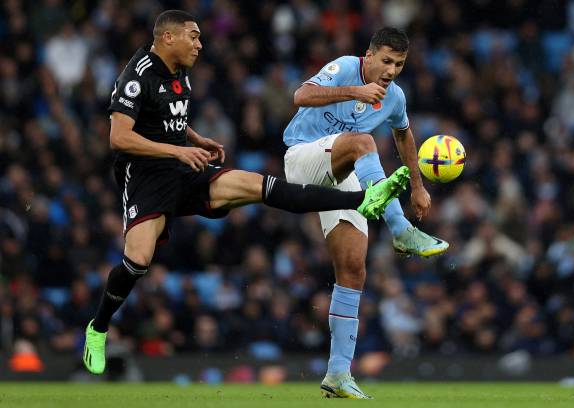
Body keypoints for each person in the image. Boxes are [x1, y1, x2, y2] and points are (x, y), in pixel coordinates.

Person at [82, 10, 411, 376]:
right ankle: (97, 327)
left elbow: (164, 118)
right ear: (168, 38)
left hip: (186, 167)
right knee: (139, 261)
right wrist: (178, 150)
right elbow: (119, 137)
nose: (199, 43)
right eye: (193, 36)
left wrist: (194, 139)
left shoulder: (179, 71)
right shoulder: (137, 75)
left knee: (260, 187)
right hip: (146, 178)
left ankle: (361, 200)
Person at [283, 27, 449, 398]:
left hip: (342, 174)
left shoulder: (395, 98)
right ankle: (400, 228)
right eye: (386, 61)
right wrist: (355, 91)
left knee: (354, 269)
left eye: (400, 64)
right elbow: (301, 95)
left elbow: (404, 135)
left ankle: (338, 374)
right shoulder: (345, 68)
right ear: (369, 56)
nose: (391, 70)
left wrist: (419, 186)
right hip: (302, 158)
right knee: (363, 142)